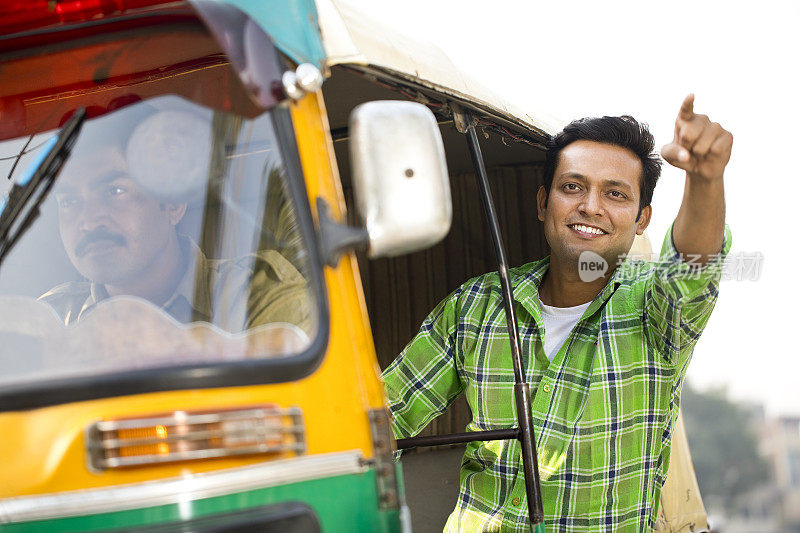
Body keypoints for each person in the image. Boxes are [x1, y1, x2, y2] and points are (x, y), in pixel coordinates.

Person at [382, 95, 732, 532]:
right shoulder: (476, 305)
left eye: (615, 194)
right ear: (543, 203)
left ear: (641, 219)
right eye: (572, 187)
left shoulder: (655, 311)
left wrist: (704, 179)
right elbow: (383, 415)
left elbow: (692, 267)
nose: (590, 206)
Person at [39, 105, 311, 335]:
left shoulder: (255, 298)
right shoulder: (48, 321)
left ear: (172, 203)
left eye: (115, 191)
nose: (87, 222)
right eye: (69, 201)